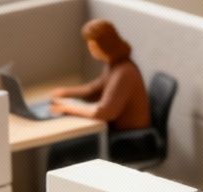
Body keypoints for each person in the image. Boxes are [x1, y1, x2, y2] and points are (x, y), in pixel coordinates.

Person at [46, 19, 151, 169]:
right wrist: (65, 92)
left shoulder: (124, 72)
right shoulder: (113, 65)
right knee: (62, 147)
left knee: (61, 151)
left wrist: (68, 107)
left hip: (126, 142)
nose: (90, 48)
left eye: (92, 44)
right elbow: (92, 90)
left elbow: (103, 112)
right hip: (111, 133)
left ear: (103, 44)